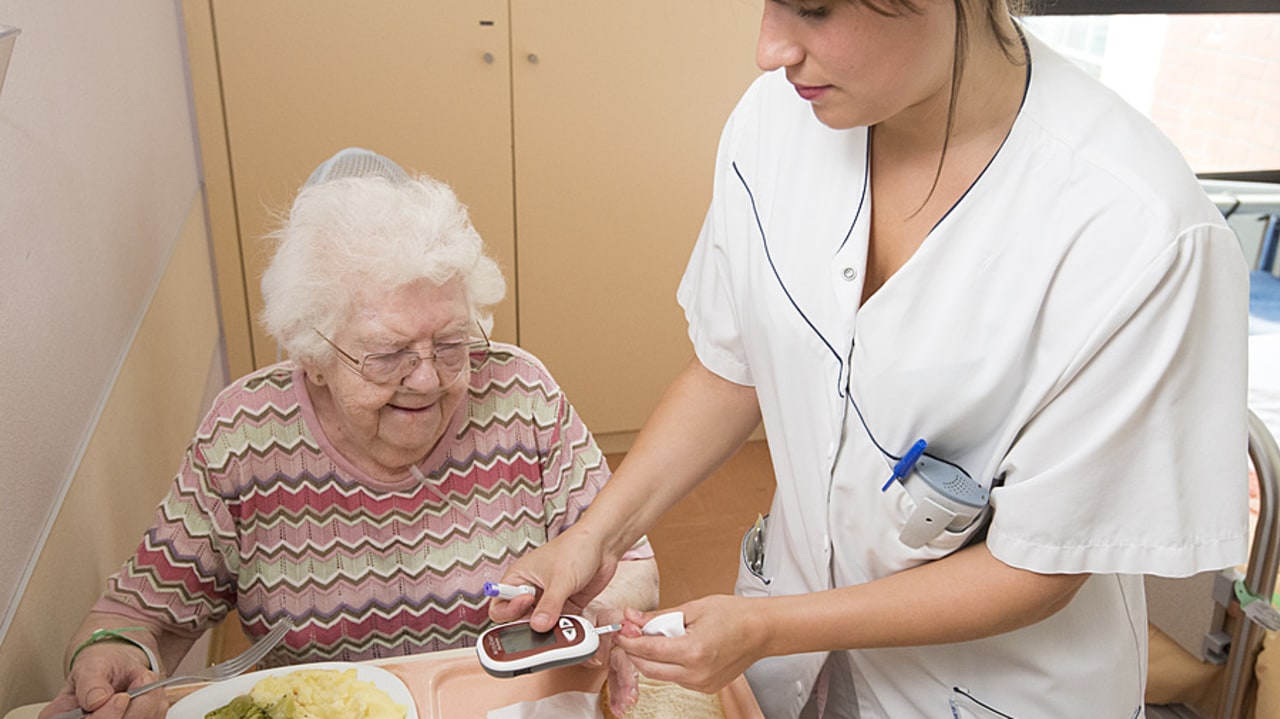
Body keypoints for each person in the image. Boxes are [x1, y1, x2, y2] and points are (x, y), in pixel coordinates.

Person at [489, 1, 1250, 717]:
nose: (769, 49)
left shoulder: (1135, 229)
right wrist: (594, 537)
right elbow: (732, 367)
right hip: (794, 650)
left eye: (815, 8)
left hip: (989, 688)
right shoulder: (772, 126)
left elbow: (1038, 566)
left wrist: (770, 629)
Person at [40, 148, 658, 719]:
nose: (427, 378)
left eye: (450, 343)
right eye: (387, 353)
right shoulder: (245, 435)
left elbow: (632, 564)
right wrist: (109, 647)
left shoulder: (522, 396)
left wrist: (593, 614)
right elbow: (137, 615)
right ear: (311, 354)